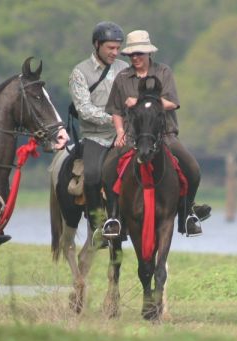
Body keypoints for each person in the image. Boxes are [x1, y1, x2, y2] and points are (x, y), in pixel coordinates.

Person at [103, 29, 211, 238]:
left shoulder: (164, 72)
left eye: (139, 54)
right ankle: (113, 218)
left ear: (148, 53)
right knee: (107, 169)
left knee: (193, 169)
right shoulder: (122, 78)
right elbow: (115, 109)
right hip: (133, 136)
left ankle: (188, 214)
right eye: (131, 55)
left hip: (165, 135)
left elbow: (173, 103)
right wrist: (119, 132)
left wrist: (142, 102)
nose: (135, 58)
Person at [68, 21, 129, 240]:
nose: (116, 52)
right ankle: (97, 228)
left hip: (126, 134)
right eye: (110, 48)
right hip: (96, 136)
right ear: (97, 45)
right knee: (93, 177)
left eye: (118, 48)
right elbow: (84, 110)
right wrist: (115, 120)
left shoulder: (125, 69)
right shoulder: (80, 72)